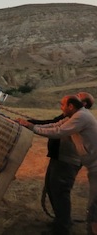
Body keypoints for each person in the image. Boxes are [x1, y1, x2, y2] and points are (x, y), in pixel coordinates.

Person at [18, 95, 97, 235]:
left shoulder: (81, 117)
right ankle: (62, 224)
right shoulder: (76, 115)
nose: (61, 108)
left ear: (71, 106)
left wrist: (32, 127)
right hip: (89, 166)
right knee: (55, 189)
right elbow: (56, 125)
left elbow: (58, 132)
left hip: (88, 165)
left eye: (62, 105)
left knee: (92, 208)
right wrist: (31, 126)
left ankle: (63, 228)